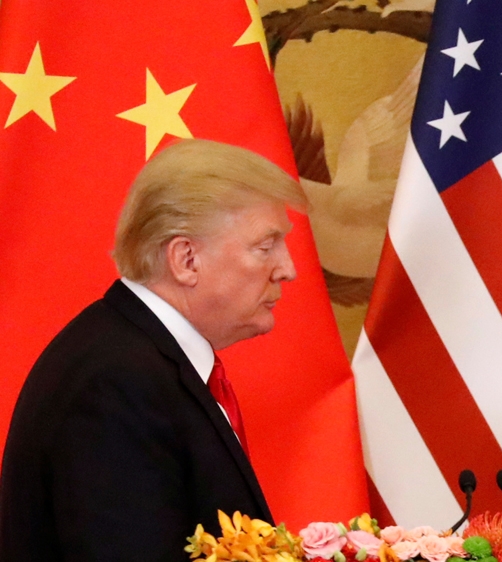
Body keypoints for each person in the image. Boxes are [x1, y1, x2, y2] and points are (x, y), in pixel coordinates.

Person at [0, 139, 307, 561]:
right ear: (186, 259)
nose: (288, 269)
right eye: (265, 246)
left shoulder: (134, 360)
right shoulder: (115, 384)